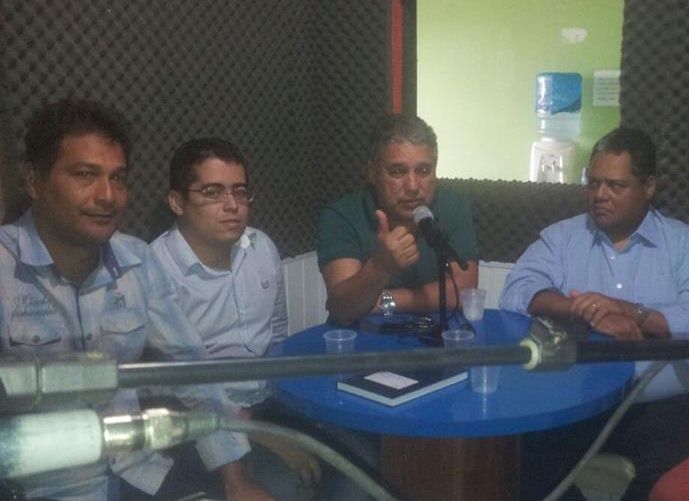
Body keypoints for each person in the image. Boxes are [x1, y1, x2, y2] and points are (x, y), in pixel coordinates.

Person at [0, 99, 205, 500]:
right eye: (85, 175)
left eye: (118, 178)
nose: (108, 195)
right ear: (33, 181)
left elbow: (191, 368)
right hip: (39, 487)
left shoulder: (137, 260)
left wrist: (234, 475)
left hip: (136, 473)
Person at [499, 126, 689, 500]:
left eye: (615, 185)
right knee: (520, 460)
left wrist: (631, 312)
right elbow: (516, 291)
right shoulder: (561, 238)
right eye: (593, 183)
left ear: (649, 186)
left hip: (666, 407)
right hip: (576, 401)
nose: (600, 195)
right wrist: (587, 310)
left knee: (670, 480)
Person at [148, 138, 331, 501]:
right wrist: (264, 433)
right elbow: (188, 385)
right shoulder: (154, 271)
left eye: (240, 191)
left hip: (268, 401)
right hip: (198, 421)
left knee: (358, 456)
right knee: (289, 486)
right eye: (212, 192)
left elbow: (277, 335)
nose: (232, 205)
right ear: (177, 202)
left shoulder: (261, 247)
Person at [316, 114, 480, 325]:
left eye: (424, 171)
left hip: (432, 332)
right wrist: (380, 266)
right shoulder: (342, 215)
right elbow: (343, 309)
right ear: (373, 173)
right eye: (397, 171)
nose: (412, 186)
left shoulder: (453, 206)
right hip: (363, 338)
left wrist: (384, 301)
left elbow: (464, 290)